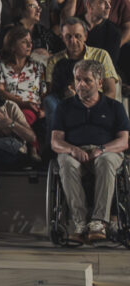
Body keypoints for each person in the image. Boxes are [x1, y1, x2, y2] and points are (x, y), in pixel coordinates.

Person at [51, 59, 127, 246]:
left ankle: (99, 222)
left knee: (105, 161)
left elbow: (124, 140)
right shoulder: (64, 107)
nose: (81, 84)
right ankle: (80, 224)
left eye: (87, 80)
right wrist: (72, 149)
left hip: (106, 151)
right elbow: (55, 141)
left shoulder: (114, 107)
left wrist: (101, 149)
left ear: (99, 83)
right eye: (78, 79)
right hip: (75, 152)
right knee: (65, 162)